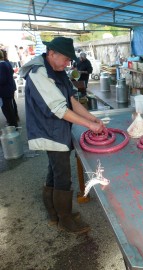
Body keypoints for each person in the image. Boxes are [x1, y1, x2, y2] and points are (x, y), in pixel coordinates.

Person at [19, 37, 105, 234]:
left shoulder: (57, 70)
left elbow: (71, 100)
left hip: (58, 130)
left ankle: (54, 213)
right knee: (62, 175)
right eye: (66, 59)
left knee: (55, 171)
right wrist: (89, 126)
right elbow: (59, 109)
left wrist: (93, 119)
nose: (68, 64)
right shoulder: (39, 73)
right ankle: (65, 219)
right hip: (49, 131)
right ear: (51, 53)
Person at [0, 50, 18, 127]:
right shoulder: (6, 63)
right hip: (9, 88)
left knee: (7, 108)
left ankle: (12, 124)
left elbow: (2, 79)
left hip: (5, 90)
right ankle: (13, 123)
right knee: (10, 107)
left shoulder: (1, 65)